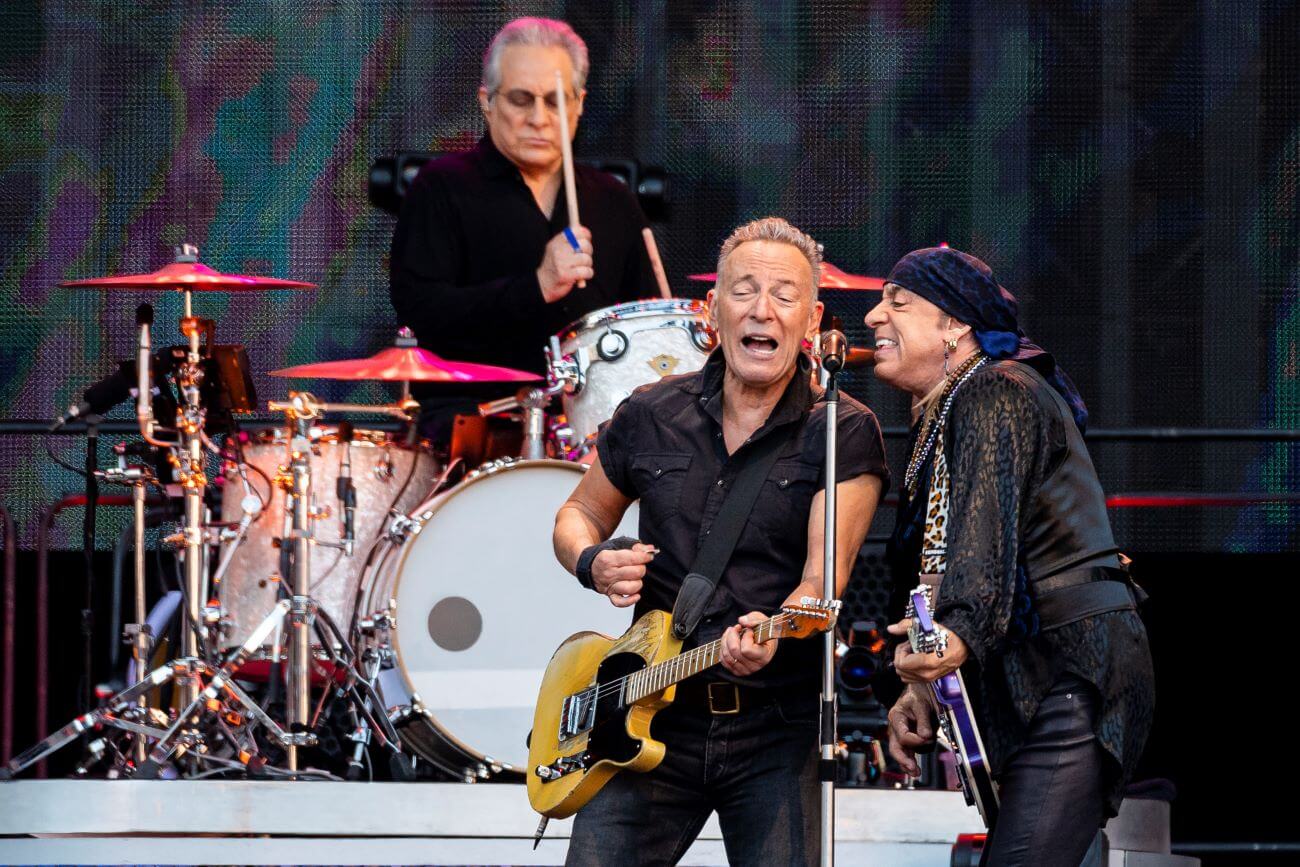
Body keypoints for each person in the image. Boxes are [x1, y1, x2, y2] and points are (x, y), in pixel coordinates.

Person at [553, 217, 888, 866]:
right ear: (711, 311)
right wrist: (593, 561)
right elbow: (577, 514)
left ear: (812, 318)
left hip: (773, 728)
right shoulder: (651, 412)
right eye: (744, 290)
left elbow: (825, 580)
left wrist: (773, 625)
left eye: (784, 295)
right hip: (646, 713)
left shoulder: (841, 430)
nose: (762, 309)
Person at [866, 247, 1154, 866]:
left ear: (954, 325)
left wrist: (951, 640)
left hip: (1073, 667)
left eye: (898, 303)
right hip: (1038, 671)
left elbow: (983, 554)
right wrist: (925, 684)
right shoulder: (946, 414)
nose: (871, 318)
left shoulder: (997, 390)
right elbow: (938, 566)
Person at [388, 17, 656, 429]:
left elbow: (648, 324)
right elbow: (421, 312)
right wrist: (536, 287)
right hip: (473, 429)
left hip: (594, 438)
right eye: (520, 99)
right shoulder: (441, 187)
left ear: (579, 103)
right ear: (487, 101)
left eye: (555, 100)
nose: (539, 118)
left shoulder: (612, 200)